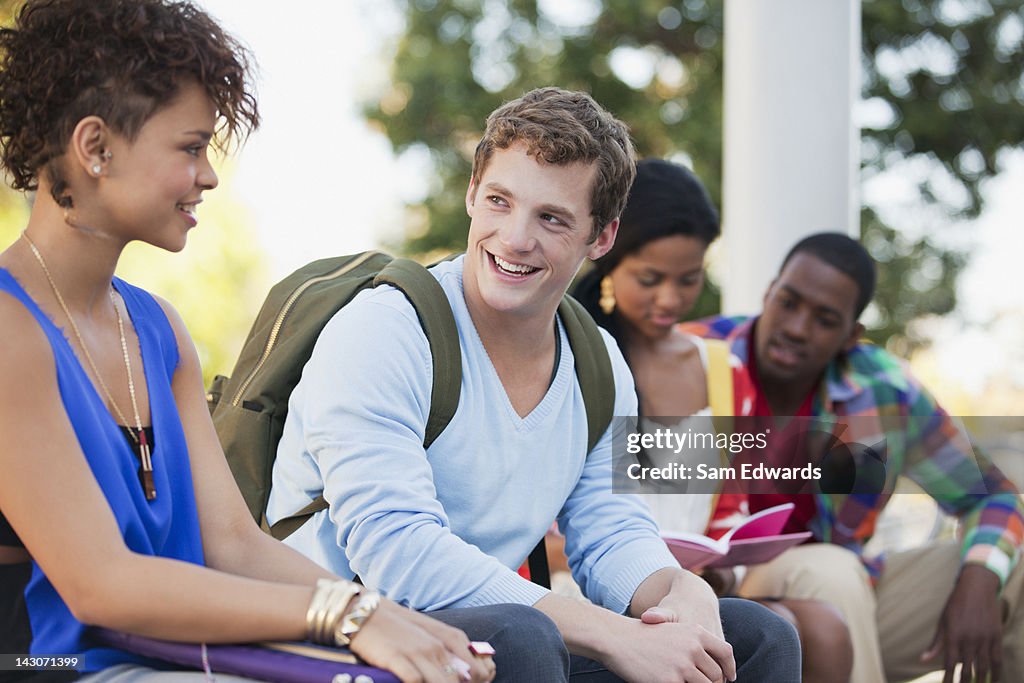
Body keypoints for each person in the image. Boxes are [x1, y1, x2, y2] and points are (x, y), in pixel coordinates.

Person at [0, 2, 531, 681]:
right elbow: (101, 584)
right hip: (49, 663)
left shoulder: (157, 330)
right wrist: (350, 617)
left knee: (492, 647)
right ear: (96, 148)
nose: (209, 175)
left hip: (173, 654)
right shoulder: (11, 327)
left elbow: (232, 543)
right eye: (191, 148)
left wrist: (382, 612)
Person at [269, 86, 802, 683]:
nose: (516, 238)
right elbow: (399, 553)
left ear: (601, 238)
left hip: (492, 643)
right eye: (500, 201)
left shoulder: (596, 361)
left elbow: (610, 532)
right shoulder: (385, 330)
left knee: (754, 636)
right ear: (472, 194)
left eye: (551, 218)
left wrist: (680, 592)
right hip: (343, 636)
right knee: (521, 637)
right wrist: (609, 634)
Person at [680, 232, 1024, 683]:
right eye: (788, 302)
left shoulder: (884, 389)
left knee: (1010, 568)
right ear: (769, 293)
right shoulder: (690, 355)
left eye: (824, 319)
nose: (797, 328)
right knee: (831, 572)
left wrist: (979, 582)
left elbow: (994, 496)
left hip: (850, 604)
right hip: (716, 592)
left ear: (850, 336)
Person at [572, 158, 854, 683]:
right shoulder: (576, 358)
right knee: (771, 628)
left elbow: (730, 507)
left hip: (694, 588)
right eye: (650, 279)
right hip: (591, 585)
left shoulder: (723, 370)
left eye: (689, 279)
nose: (671, 300)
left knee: (819, 625)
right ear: (609, 256)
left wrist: (722, 567)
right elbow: (552, 523)